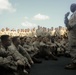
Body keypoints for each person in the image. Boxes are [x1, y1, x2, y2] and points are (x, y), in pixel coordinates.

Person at [64, 3, 76, 70]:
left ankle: (74, 63)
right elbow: (68, 25)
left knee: (73, 48)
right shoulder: (73, 15)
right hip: (72, 33)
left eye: (72, 6)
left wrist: (66, 18)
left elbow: (69, 26)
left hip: (73, 34)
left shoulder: (75, 14)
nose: (70, 8)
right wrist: (66, 18)